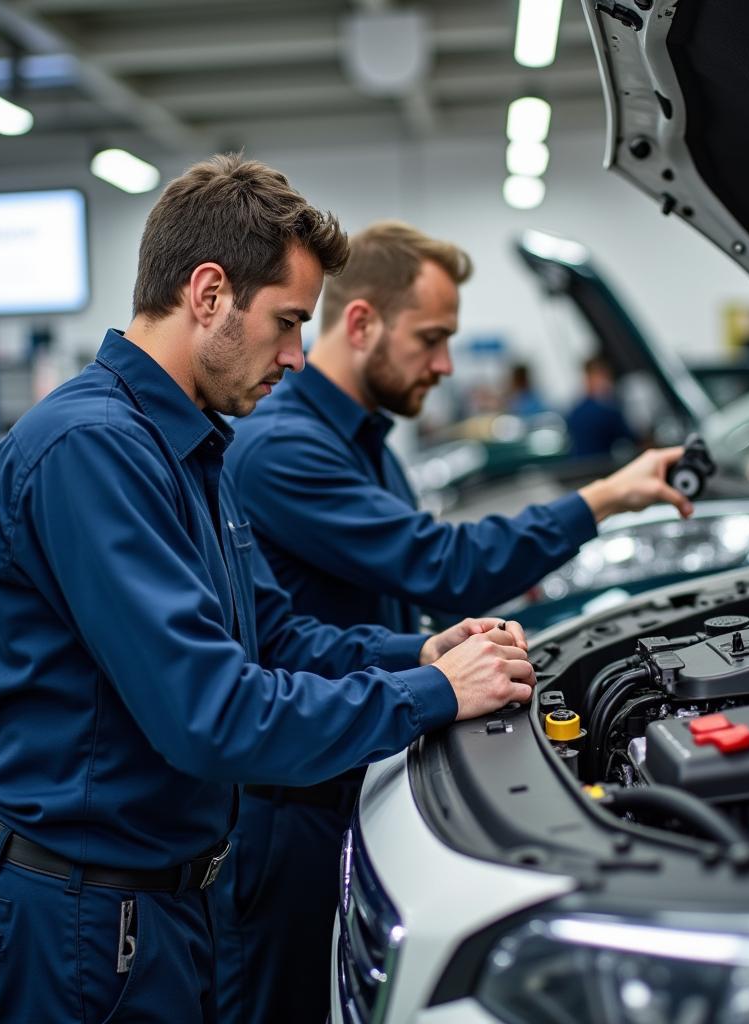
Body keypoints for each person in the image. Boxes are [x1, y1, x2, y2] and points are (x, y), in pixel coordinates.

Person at [0, 158, 534, 1024]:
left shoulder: (190, 444)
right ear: (210, 293)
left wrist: (422, 651)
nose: (298, 356)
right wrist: (429, 695)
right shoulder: (92, 450)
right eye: (289, 322)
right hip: (76, 920)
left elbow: (275, 634)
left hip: (160, 903)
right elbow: (212, 713)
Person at [224, 220, 694, 1023]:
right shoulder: (283, 449)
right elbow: (443, 565)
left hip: (356, 764)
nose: (445, 365)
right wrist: (607, 496)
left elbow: (421, 592)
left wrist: (435, 647)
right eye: (432, 339)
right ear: (363, 322)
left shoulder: (365, 438)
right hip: (296, 805)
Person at [565, 355, 640, 457]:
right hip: (601, 467)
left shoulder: (575, 412)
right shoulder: (607, 411)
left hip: (580, 468)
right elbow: (633, 439)